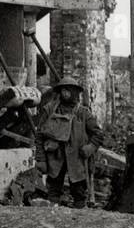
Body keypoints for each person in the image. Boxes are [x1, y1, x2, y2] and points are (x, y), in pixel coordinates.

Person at [36, 77, 102, 208]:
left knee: (79, 193)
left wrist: (90, 147)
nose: (66, 93)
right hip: (55, 157)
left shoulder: (83, 113)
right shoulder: (49, 111)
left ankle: (79, 218)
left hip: (77, 159)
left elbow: (98, 134)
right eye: (63, 90)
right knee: (53, 191)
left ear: (75, 92)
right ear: (59, 92)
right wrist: (41, 159)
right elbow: (39, 136)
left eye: (69, 90)